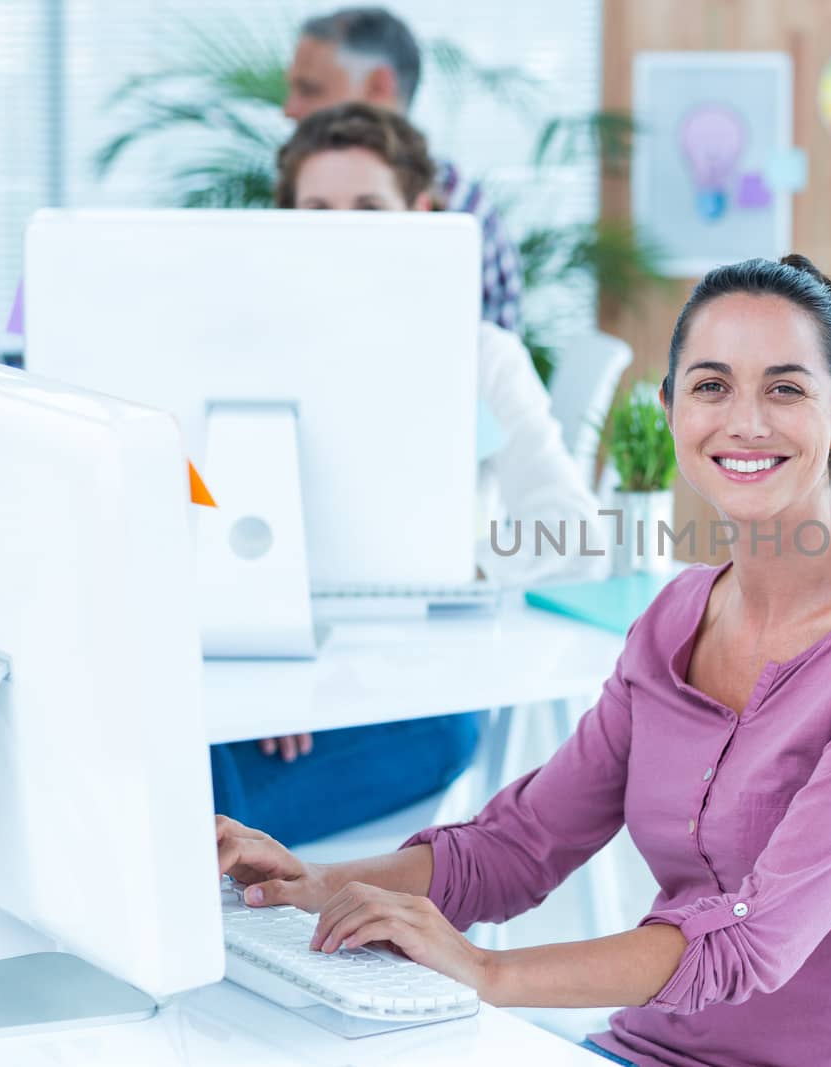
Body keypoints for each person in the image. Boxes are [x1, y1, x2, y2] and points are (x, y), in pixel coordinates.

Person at [216, 254, 831, 1066]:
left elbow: (755, 938)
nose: (747, 422)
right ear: (670, 409)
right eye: (711, 386)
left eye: (787, 388)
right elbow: (518, 844)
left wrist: (483, 969)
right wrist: (311, 883)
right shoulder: (675, 618)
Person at [209, 102, 604, 846]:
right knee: (174, 750)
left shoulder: (481, 356)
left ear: (422, 215)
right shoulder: (245, 355)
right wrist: (278, 677)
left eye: (368, 207)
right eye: (317, 210)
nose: (343, 232)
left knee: (192, 795)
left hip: (418, 688)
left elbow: (575, 530)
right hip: (270, 676)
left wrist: (451, 564)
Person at [285, 7, 522, 331]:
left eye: (310, 89)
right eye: (317, 210)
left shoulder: (458, 210)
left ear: (380, 87)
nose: (289, 109)